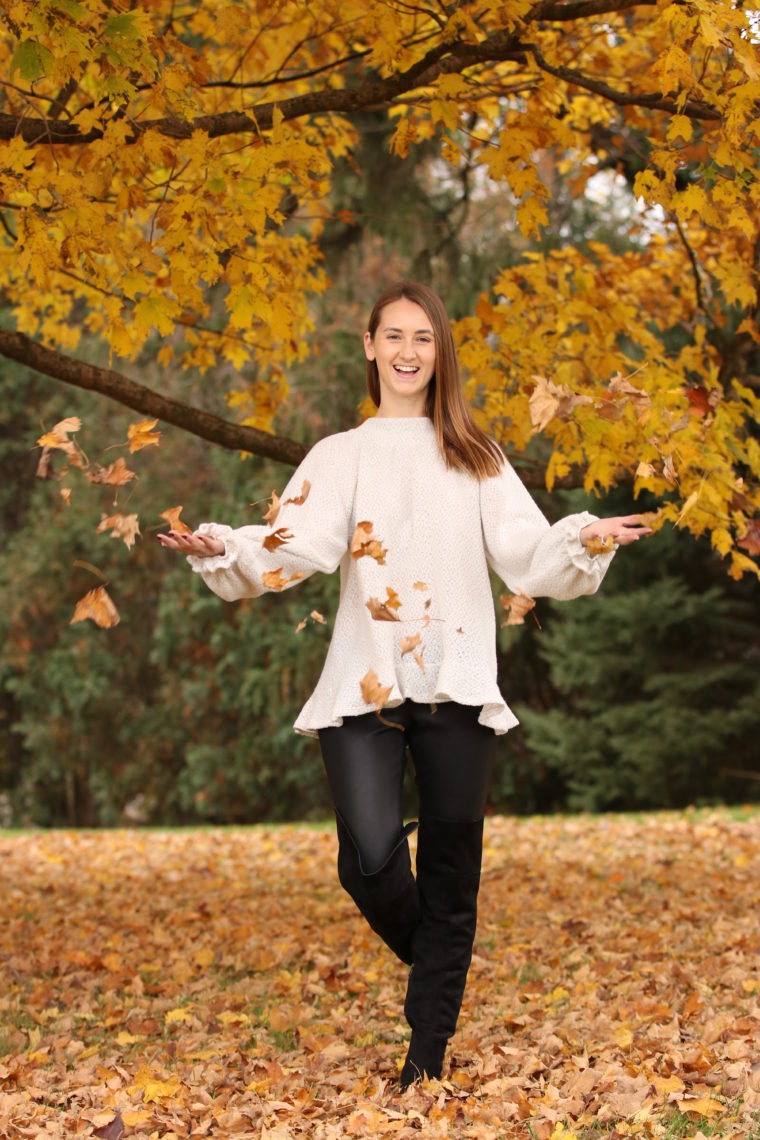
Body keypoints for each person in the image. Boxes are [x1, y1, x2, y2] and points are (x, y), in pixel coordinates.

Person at [158, 281, 651, 1089]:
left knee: (453, 870)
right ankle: (443, 961)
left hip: (456, 683)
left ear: (439, 350)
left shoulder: (476, 455)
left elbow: (528, 556)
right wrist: (224, 547)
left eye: (423, 337)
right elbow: (291, 550)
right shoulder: (339, 455)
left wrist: (584, 538)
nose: (409, 351)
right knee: (369, 861)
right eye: (394, 335)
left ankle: (425, 1061)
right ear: (369, 345)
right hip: (366, 681)